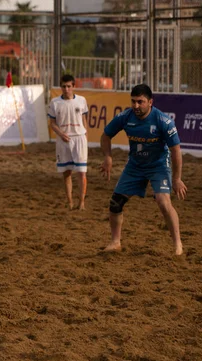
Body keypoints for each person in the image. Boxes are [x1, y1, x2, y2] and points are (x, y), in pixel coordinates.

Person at [99, 84, 187, 255]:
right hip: (135, 165)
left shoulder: (163, 121)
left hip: (158, 165)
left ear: (150, 102)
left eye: (140, 102)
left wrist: (176, 179)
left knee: (163, 202)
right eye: (133, 101)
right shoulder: (125, 117)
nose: (136, 106)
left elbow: (175, 150)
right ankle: (115, 242)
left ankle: (177, 244)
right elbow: (105, 136)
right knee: (115, 203)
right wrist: (108, 157)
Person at [47, 74, 89, 210]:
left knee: (82, 172)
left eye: (69, 86)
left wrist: (85, 136)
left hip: (79, 139)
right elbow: (52, 123)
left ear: (73, 86)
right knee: (67, 172)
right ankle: (70, 202)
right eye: (63, 86)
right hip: (63, 140)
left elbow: (84, 120)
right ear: (61, 87)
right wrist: (61, 134)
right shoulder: (55, 102)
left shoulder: (82, 100)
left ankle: (81, 202)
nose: (66, 89)